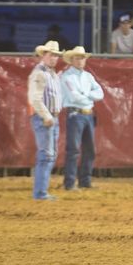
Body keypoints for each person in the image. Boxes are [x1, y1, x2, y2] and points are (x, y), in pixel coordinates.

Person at [60, 46, 104, 190]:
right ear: (72, 60)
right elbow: (74, 96)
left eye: (82, 58)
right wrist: (89, 96)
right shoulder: (66, 76)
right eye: (77, 58)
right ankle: (70, 183)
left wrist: (84, 95)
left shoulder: (88, 76)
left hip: (87, 114)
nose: (80, 61)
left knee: (89, 150)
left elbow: (100, 93)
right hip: (76, 114)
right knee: (73, 150)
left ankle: (85, 181)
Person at [27, 41, 63, 200]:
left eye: (56, 55)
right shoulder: (40, 73)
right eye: (51, 54)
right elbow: (34, 98)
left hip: (52, 118)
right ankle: (40, 193)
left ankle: (42, 191)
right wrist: (47, 116)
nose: (54, 57)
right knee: (46, 155)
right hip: (45, 119)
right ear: (44, 55)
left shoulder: (51, 73)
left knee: (49, 155)